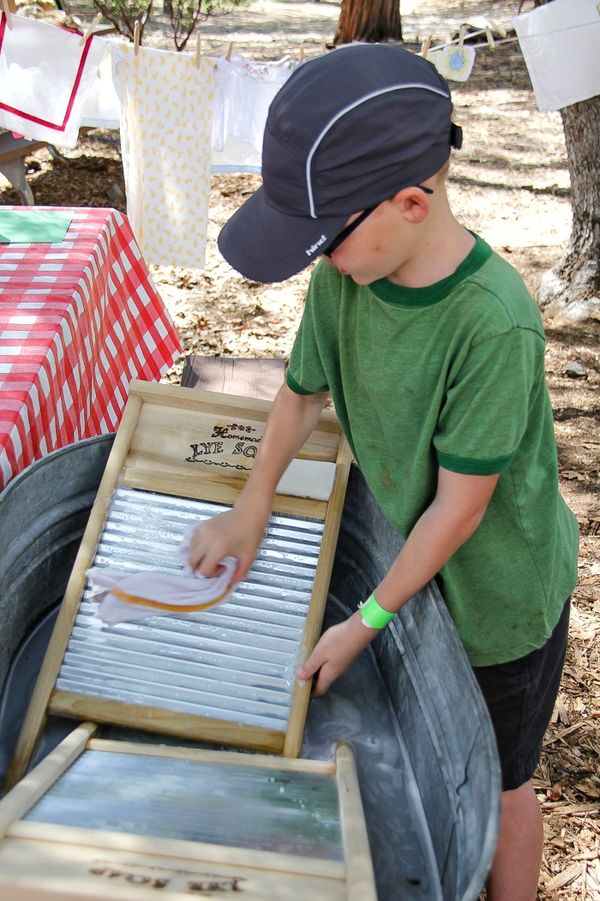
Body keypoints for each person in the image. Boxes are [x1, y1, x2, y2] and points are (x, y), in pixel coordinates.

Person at [187, 44, 579, 900]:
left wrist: (365, 621)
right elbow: (298, 393)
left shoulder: (493, 324)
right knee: (436, 758)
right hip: (416, 575)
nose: (317, 263)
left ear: (409, 202)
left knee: (500, 781)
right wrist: (253, 504)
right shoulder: (346, 274)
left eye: (323, 240)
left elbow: (460, 510)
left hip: (498, 600)